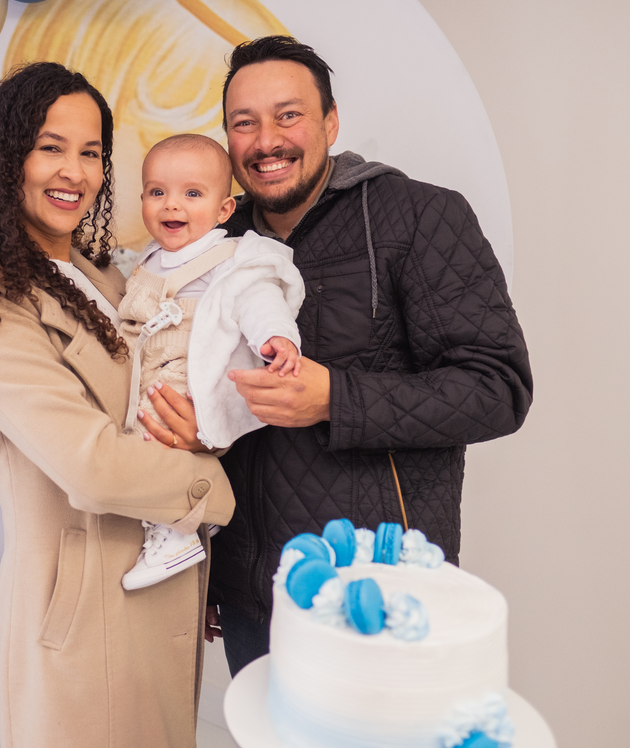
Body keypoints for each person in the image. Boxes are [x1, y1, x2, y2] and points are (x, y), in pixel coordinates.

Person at [0, 63, 235, 748]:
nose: (74, 172)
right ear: (8, 158)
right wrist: (212, 486)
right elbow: (93, 467)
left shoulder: (105, 274)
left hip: (154, 593)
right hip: (84, 624)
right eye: (50, 147)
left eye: (91, 152)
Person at [204, 36, 534, 676]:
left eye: (288, 115)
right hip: (253, 599)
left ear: (331, 122)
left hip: (379, 593)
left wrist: (336, 398)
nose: (266, 140)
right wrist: (210, 567)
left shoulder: (419, 217)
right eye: (244, 123)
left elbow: (498, 388)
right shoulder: (217, 240)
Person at [118, 134, 304, 591]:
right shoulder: (148, 258)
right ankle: (181, 513)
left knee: (153, 434)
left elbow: (259, 299)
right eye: (157, 192)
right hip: (146, 364)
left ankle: (178, 529)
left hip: (188, 369)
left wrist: (276, 337)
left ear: (224, 210)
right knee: (125, 437)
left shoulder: (232, 260)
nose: (171, 205)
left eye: (191, 193)